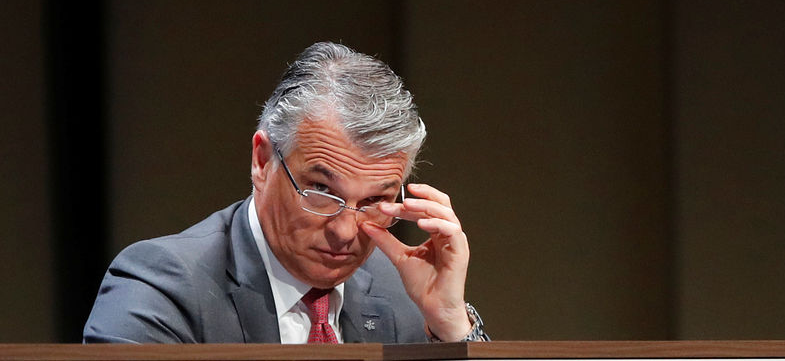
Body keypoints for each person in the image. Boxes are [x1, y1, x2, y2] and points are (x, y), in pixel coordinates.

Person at [83, 42, 489, 343]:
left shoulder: (403, 294)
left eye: (373, 202)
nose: (347, 232)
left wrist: (450, 323)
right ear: (262, 161)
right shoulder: (163, 287)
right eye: (320, 190)